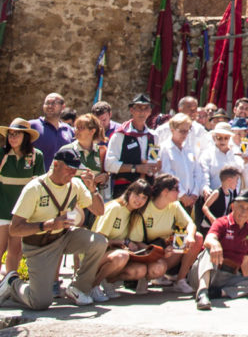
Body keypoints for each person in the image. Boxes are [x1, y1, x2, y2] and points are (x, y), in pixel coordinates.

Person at [0, 148, 106, 309]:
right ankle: (13, 282)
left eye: (75, 169)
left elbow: (99, 211)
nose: (72, 173)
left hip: (63, 237)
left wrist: (93, 189)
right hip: (39, 245)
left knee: (99, 242)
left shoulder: (76, 185)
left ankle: (78, 288)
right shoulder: (34, 188)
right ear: (55, 164)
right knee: (40, 302)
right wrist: (46, 225)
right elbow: (15, 229)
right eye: (68, 168)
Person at [190, 189, 248, 310]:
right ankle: (202, 292)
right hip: (207, 272)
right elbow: (208, 239)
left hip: (228, 276)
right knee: (210, 249)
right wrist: (215, 243)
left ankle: (219, 293)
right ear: (232, 207)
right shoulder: (221, 222)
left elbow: (246, 260)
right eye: (241, 207)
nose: (244, 212)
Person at [129, 172, 202, 293]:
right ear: (165, 192)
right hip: (148, 253)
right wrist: (159, 252)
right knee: (157, 269)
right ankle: (147, 277)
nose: (179, 192)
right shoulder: (145, 207)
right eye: (176, 189)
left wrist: (189, 236)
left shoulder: (175, 205)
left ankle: (180, 280)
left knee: (197, 237)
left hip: (168, 251)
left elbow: (190, 224)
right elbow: (136, 242)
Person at [92, 178, 151, 298]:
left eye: (144, 197)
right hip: (95, 254)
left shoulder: (136, 215)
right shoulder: (115, 207)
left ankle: (108, 282)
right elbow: (98, 240)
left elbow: (136, 242)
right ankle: (92, 285)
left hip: (114, 253)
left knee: (140, 270)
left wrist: (155, 250)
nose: (139, 200)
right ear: (129, 192)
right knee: (121, 256)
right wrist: (122, 242)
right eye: (137, 195)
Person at [0, 118, 44, 277]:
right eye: (10, 134)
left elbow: (39, 184)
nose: (12, 138)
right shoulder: (1, 154)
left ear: (25, 136)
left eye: (16, 134)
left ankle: (9, 284)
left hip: (23, 211)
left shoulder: (36, 156)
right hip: (2, 208)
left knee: (15, 250)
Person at [105, 94, 159, 198]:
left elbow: (153, 159)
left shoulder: (153, 136)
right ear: (131, 110)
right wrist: (136, 168)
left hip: (146, 190)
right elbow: (109, 164)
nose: (142, 112)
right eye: (138, 108)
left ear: (150, 111)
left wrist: (152, 168)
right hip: (124, 190)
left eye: (145, 108)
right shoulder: (120, 135)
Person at [158, 113, 204, 217]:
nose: (185, 134)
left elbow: (197, 172)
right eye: (182, 131)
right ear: (172, 130)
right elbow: (167, 173)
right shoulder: (165, 149)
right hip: (173, 199)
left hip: (191, 199)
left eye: (187, 131)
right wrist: (182, 195)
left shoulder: (189, 149)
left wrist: (194, 193)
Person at [28, 93, 75, 168]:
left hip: (61, 178)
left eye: (53, 103)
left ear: (63, 107)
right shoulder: (32, 126)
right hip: (37, 178)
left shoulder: (68, 130)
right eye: (47, 103)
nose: (49, 106)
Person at [200, 165, 242, 234]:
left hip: (221, 227)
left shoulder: (230, 194)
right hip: (209, 227)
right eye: (236, 180)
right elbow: (205, 207)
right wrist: (212, 219)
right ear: (229, 180)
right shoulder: (217, 193)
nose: (237, 183)